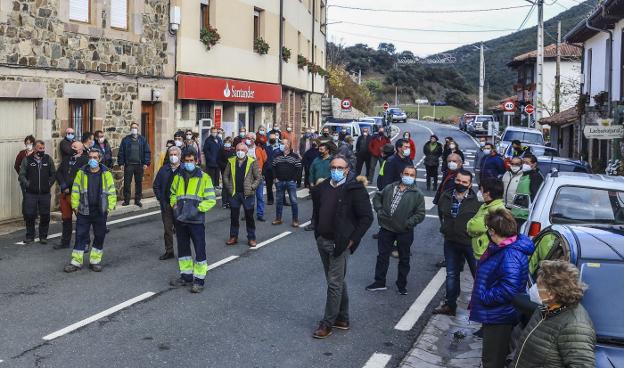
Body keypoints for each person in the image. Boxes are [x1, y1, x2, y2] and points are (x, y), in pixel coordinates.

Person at [311, 157, 373, 338]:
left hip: (340, 243)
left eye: (340, 168)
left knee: (334, 283)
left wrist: (352, 240)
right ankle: (343, 318)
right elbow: (317, 211)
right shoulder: (322, 188)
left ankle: (327, 323)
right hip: (323, 240)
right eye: (333, 167)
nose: (336, 170)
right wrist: (317, 231)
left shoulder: (355, 189)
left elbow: (366, 218)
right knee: (336, 281)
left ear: (347, 170)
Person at [470, 209, 535, 368]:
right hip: (498, 313)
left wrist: (484, 296)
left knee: (492, 361)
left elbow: (509, 288)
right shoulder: (506, 248)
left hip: (499, 316)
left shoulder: (509, 254)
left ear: (493, 231)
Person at [512, 260, 596, 368]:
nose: (534, 289)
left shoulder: (575, 326)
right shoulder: (546, 307)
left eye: (538, 285)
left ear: (551, 293)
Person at [367, 166, 425, 295]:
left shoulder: (418, 194)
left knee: (404, 259)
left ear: (415, 177)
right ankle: (379, 282)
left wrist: (408, 223)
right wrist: (380, 211)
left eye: (411, 175)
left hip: (405, 231)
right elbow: (377, 198)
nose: (408, 176)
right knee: (382, 256)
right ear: (401, 174)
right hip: (386, 229)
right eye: (406, 174)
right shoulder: (390, 187)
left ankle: (401, 285)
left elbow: (420, 214)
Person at [432, 169, 481, 316]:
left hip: (469, 243)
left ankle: (480, 309)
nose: (461, 184)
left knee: (478, 276)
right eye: (458, 180)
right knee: (451, 274)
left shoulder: (476, 201)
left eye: (464, 182)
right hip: (451, 241)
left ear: (470, 184)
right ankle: (450, 305)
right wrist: (445, 229)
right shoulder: (445, 196)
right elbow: (442, 214)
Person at [169, 150, 217, 293]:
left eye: (191, 161)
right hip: (180, 220)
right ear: (183, 162)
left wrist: (197, 209)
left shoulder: (204, 177)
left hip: (196, 221)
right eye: (186, 161)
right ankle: (186, 276)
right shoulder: (178, 176)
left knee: (199, 250)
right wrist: (174, 205)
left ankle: (199, 280)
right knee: (183, 250)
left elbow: (211, 199)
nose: (189, 163)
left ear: (196, 161)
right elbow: (172, 193)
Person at [63, 148, 117, 273]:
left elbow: (111, 191)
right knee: (80, 235)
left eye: (95, 158)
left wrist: (109, 207)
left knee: (99, 236)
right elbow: (75, 190)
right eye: (90, 157)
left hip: (99, 211)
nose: (92, 160)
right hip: (83, 210)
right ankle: (76, 262)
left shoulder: (106, 173)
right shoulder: (81, 173)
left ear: (100, 159)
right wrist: (75, 206)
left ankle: (95, 261)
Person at [223, 143, 262, 247]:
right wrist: (229, 187)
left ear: (246, 151)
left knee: (249, 217)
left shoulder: (252, 161)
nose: (240, 152)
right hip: (235, 194)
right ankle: (233, 236)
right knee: (234, 216)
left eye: (242, 150)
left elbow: (258, 177)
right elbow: (225, 176)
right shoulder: (231, 161)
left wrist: (252, 187)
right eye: (238, 149)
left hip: (247, 195)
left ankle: (251, 238)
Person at [19, 140, 56, 244]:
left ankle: (43, 236)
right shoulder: (27, 160)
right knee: (29, 214)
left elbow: (53, 174)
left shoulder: (48, 159)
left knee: (45, 215)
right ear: (35, 148)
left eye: (43, 148)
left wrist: (49, 184)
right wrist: (28, 184)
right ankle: (30, 236)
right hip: (31, 193)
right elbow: (21, 175)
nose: (42, 150)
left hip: (44, 193)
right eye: (40, 148)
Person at [55, 141, 88, 249]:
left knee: (82, 220)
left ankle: (85, 242)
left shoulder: (85, 161)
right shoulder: (66, 159)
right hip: (65, 195)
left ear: (80, 150)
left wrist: (68, 186)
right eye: (71, 146)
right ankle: (65, 242)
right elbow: (59, 172)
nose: (71, 148)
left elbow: (81, 177)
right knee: (66, 220)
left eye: (74, 147)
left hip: (76, 195)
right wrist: (63, 185)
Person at [153, 146, 182, 260]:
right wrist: (161, 199)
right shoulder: (163, 170)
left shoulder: (184, 171)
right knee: (167, 229)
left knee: (181, 230)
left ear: (180, 156)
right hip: (166, 205)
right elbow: (156, 186)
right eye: (171, 155)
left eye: (175, 154)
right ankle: (169, 251)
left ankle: (183, 251)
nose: (173, 157)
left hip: (180, 206)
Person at [467, 178, 506, 260]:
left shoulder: (495, 210)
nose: (479, 192)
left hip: (486, 253)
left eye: (481, 190)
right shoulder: (486, 205)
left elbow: (473, 226)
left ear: (487, 193)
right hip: (483, 251)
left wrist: (470, 224)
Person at [118, 122, 151, 207]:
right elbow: (121, 152)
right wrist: (121, 163)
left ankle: (137, 200)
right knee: (127, 183)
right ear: (130, 129)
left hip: (139, 165)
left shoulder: (143, 139)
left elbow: (147, 151)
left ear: (138, 129)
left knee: (138, 183)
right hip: (129, 164)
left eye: (135, 127)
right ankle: (126, 200)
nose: (134, 129)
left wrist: (146, 163)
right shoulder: (125, 140)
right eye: (132, 127)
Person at [271, 139, 302, 227]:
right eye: (281, 143)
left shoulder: (295, 156)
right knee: (279, 201)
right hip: (279, 181)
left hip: (290, 182)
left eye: (284, 143)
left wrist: (295, 179)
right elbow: (273, 167)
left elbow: (299, 168)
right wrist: (275, 178)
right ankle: (278, 219)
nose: (282, 145)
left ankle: (295, 220)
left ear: (288, 145)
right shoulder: (277, 155)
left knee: (294, 201)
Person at [510, 154, 544, 228]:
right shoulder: (524, 175)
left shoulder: (535, 176)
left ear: (534, 164)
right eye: (523, 162)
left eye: (527, 163)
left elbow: (535, 196)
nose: (524, 165)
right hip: (516, 213)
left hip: (524, 216)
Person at [244, 133, 267, 221]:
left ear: (254, 139)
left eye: (249, 138)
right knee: (248, 197)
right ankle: (248, 214)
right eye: (246, 138)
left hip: (258, 176)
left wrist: (262, 173)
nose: (247, 139)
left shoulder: (259, 149)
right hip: (247, 177)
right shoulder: (243, 149)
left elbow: (265, 161)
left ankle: (260, 214)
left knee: (260, 196)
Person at [218, 137, 236, 209]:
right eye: (226, 142)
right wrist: (226, 166)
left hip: (233, 171)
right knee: (225, 186)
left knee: (232, 186)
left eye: (229, 142)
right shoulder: (221, 150)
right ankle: (224, 202)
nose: (227, 143)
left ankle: (230, 201)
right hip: (225, 171)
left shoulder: (233, 150)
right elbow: (218, 161)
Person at [264, 133, 280, 205]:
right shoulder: (265, 146)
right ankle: (270, 200)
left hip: (277, 169)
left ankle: (282, 200)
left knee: (280, 185)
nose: (273, 139)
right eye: (271, 138)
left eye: (274, 138)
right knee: (269, 186)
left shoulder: (279, 147)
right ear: (268, 138)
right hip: (268, 169)